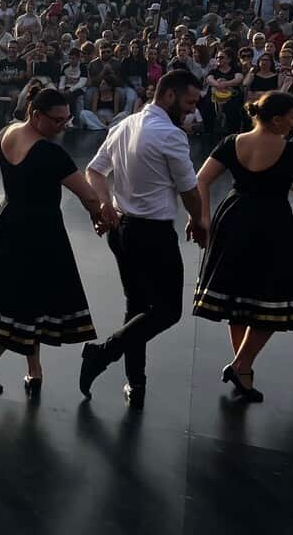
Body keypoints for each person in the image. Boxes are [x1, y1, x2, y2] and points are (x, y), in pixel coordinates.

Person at [192, 92, 293, 402]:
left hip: (233, 217)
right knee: (270, 300)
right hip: (272, 222)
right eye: (292, 117)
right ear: (276, 120)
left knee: (237, 295)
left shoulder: (233, 142)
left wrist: (202, 218)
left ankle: (243, 368)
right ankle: (243, 365)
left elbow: (201, 179)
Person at [80, 70, 208, 409]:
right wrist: (198, 221)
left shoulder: (125, 124)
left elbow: (94, 170)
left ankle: (136, 383)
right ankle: (102, 354)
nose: (192, 110)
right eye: (190, 102)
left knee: (136, 307)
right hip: (153, 235)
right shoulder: (170, 135)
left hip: (122, 231)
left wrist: (104, 204)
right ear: (169, 95)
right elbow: (190, 191)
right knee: (168, 311)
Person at [0, 88, 105, 398]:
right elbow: (88, 195)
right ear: (36, 114)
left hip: (9, 223)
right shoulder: (49, 153)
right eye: (57, 120)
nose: (63, 126)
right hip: (40, 231)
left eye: (67, 120)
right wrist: (99, 216)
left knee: (29, 300)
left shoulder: (8, 133)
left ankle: (33, 369)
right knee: (27, 303)